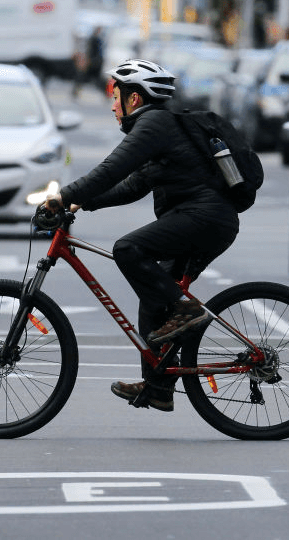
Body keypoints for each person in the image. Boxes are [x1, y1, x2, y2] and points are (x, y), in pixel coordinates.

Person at [44, 58, 240, 412]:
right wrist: (81, 205)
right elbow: (134, 184)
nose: (113, 104)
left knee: (129, 248)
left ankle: (188, 310)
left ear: (134, 98)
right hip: (206, 219)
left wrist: (64, 195)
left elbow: (111, 169)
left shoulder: (154, 123)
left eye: (115, 95)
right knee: (153, 296)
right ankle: (159, 386)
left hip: (204, 218)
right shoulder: (162, 129)